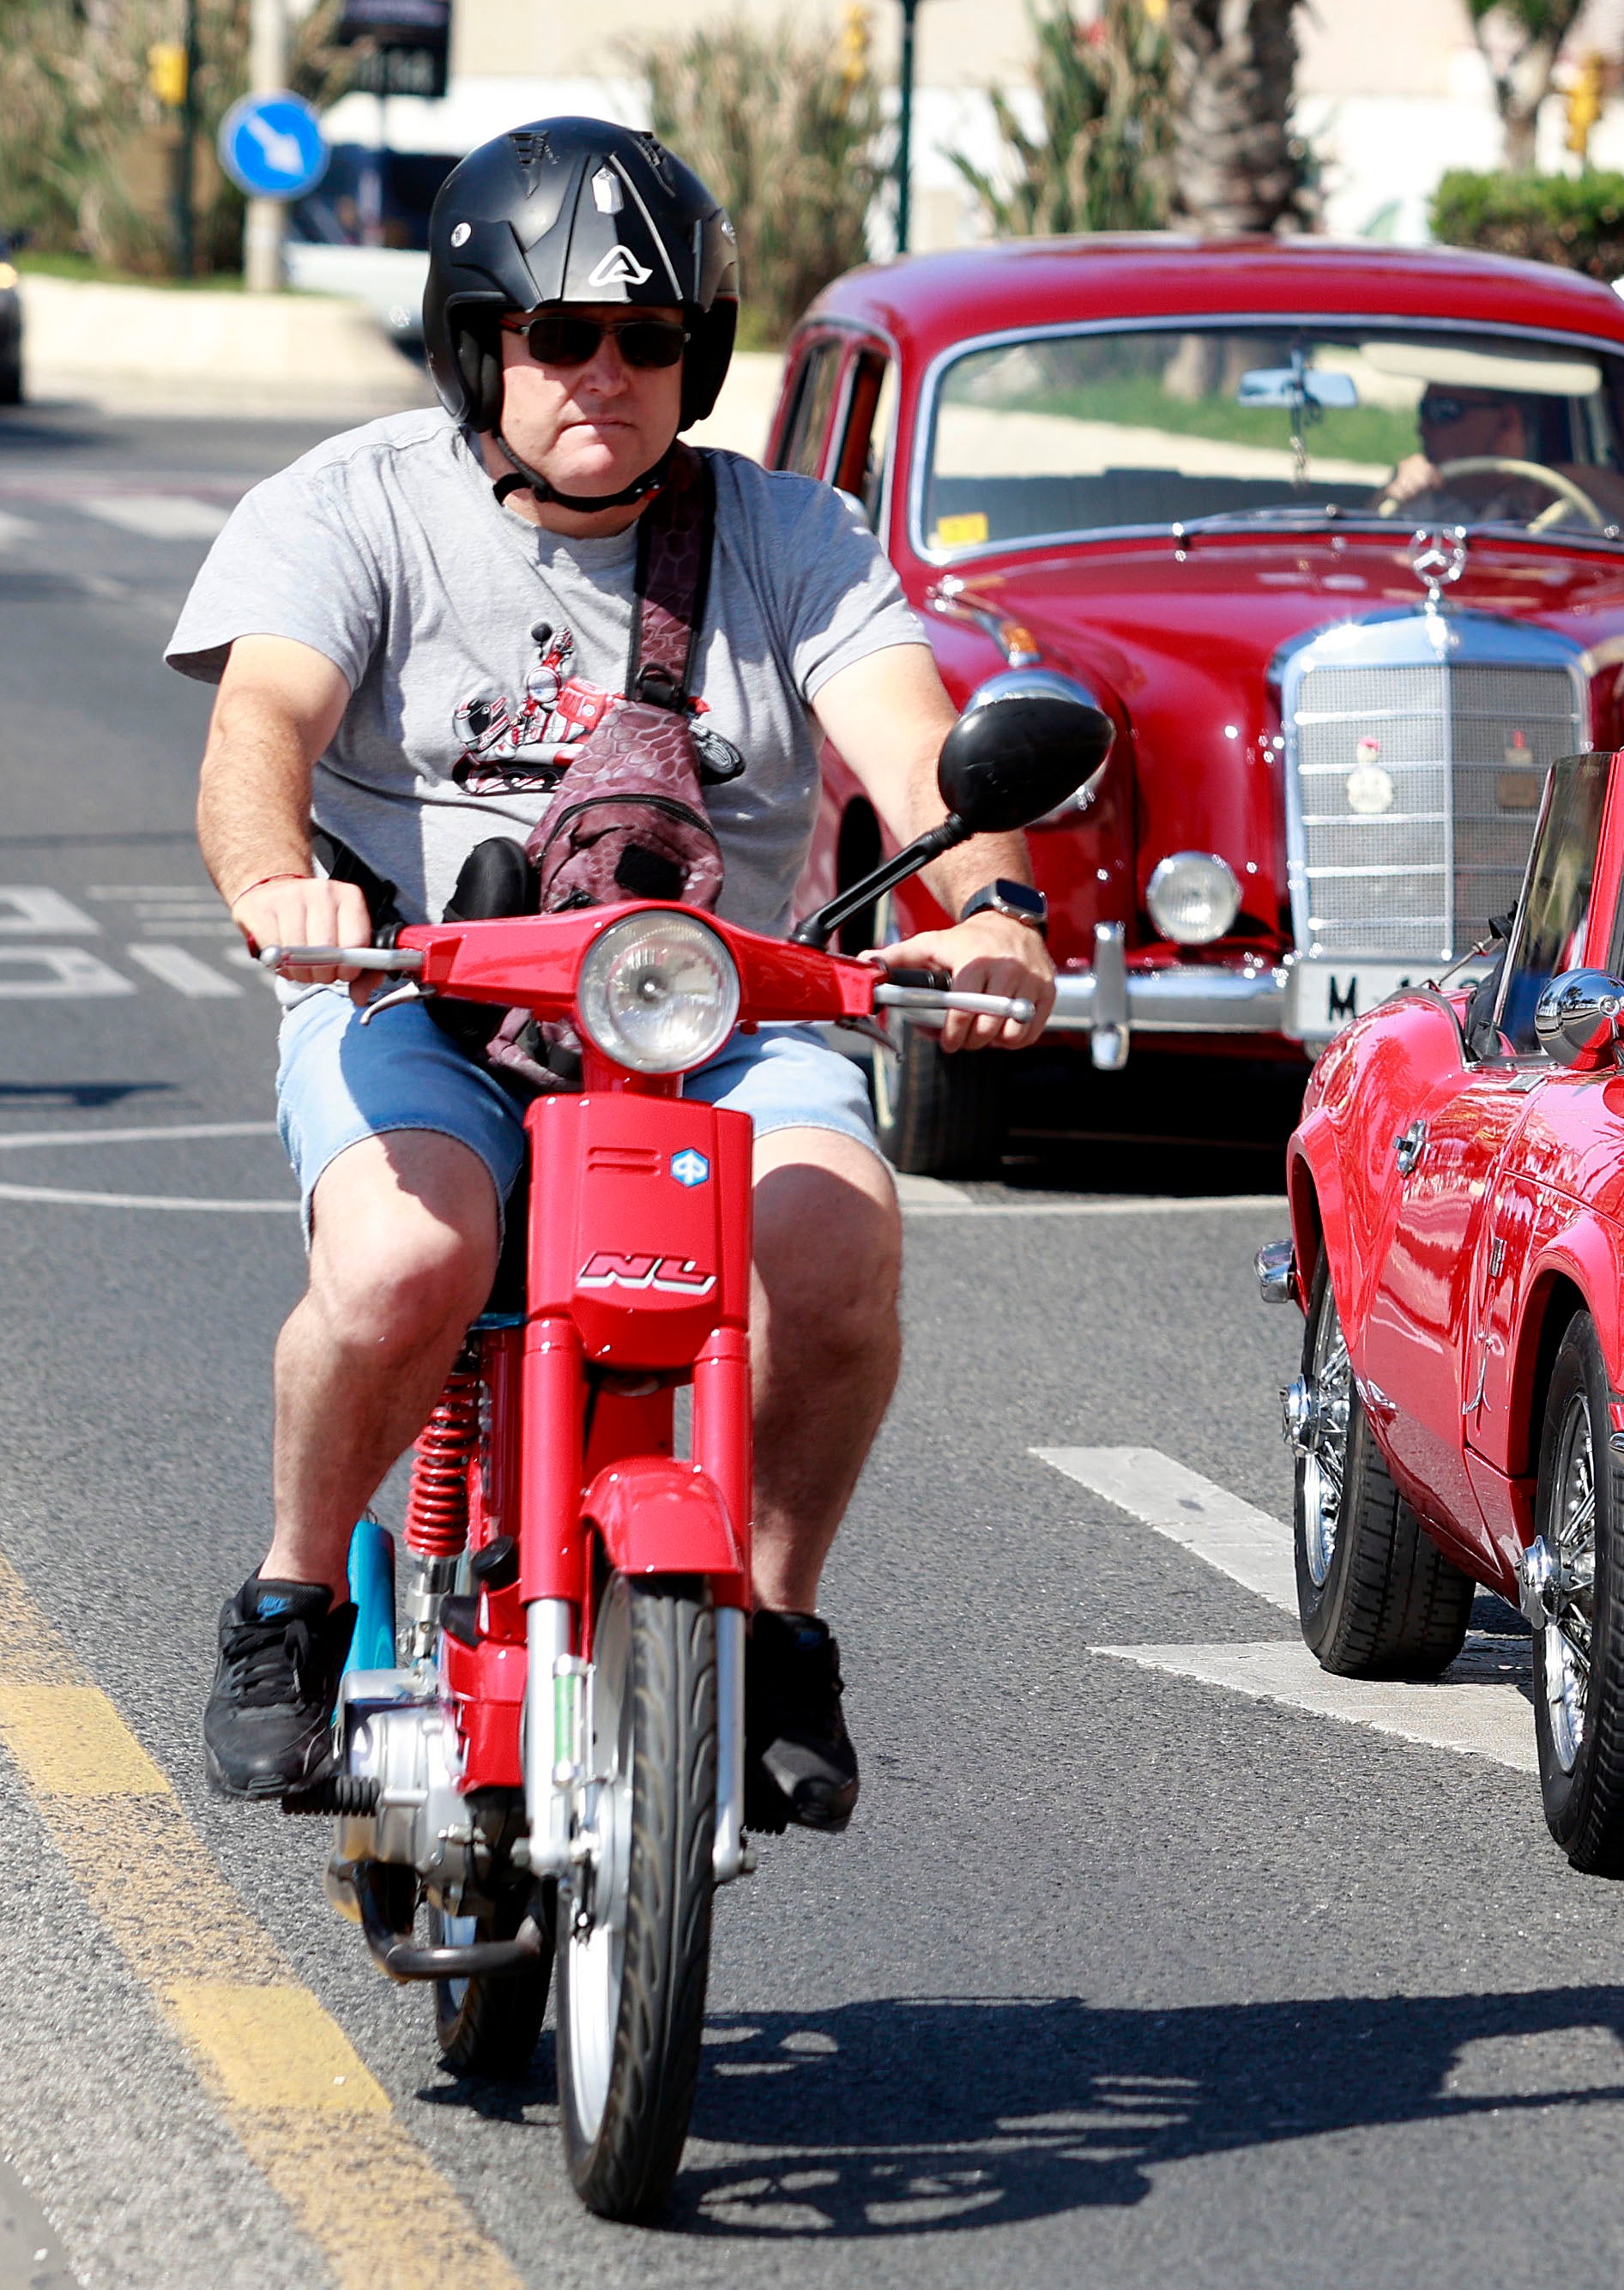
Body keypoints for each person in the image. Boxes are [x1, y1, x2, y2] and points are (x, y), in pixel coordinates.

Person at [172, 119, 1054, 1827]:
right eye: (558, 333)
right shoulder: (353, 503)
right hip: (411, 996)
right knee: (409, 1253)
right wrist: (282, 884)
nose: (604, 373)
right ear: (478, 344)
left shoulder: (798, 538)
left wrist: (997, 907)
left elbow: (921, 760)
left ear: (698, 356)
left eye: (649, 340)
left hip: (717, 1011)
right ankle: (288, 1601)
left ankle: (781, 1624)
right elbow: (258, 724)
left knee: (833, 1242)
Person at [1375, 381, 1624, 539]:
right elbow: (1358, 563)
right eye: (1424, 410)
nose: (1423, 427)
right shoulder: (1421, 505)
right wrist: (1394, 493)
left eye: (1443, 411)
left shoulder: (1573, 508)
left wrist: (1573, 479)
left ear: (1506, 422)